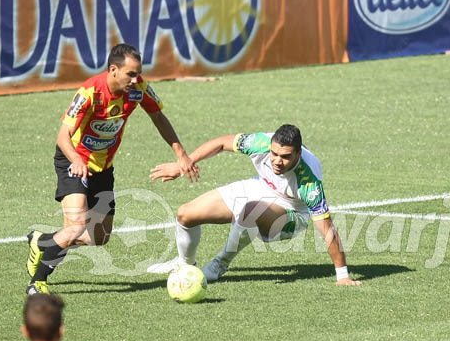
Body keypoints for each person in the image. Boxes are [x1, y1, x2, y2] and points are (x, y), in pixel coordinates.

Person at [25, 43, 199, 295]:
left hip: (103, 168)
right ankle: (37, 282)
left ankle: (42, 241)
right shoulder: (89, 93)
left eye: (138, 73)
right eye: (130, 74)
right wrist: (76, 160)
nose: (135, 79)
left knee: (99, 237)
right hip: (73, 162)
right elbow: (63, 137)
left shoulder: (138, 89)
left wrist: (181, 154)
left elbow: (158, 117)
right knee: (75, 226)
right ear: (113, 69)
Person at [146, 124, 361, 285]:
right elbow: (221, 143)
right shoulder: (260, 143)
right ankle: (185, 265)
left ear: (298, 153)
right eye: (274, 153)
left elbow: (327, 228)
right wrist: (185, 163)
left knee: (251, 211)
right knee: (186, 214)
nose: (277, 161)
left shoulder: (308, 179)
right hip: (261, 187)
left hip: (292, 212)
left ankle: (220, 264)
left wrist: (342, 275)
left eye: (285, 157)